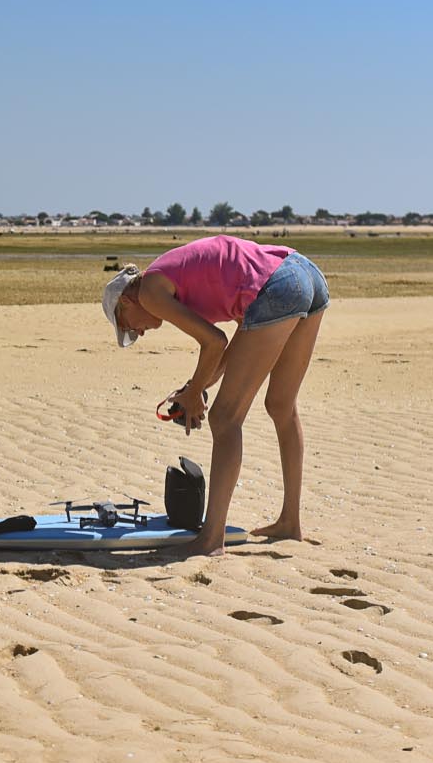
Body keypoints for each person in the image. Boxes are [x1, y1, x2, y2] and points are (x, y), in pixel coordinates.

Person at [103, 231, 329, 552]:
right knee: (281, 405)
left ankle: (211, 539)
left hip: (280, 285)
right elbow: (240, 335)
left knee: (224, 419)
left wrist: (196, 393)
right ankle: (290, 522)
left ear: (127, 300)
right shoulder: (176, 280)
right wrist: (195, 388)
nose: (135, 332)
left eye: (126, 324)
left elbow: (214, 341)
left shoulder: (150, 292)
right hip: (304, 274)